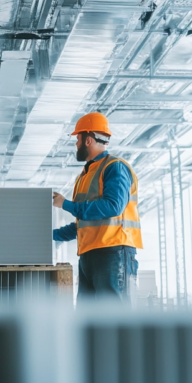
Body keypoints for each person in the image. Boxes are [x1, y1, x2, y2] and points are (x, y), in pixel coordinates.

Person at [52, 112, 142, 301]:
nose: (76, 144)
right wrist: (50, 235)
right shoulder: (85, 176)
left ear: (88, 140)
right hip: (90, 255)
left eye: (77, 139)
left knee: (112, 315)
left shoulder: (114, 167)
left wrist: (65, 204)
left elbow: (113, 206)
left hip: (113, 252)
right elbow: (84, 223)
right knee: (88, 316)